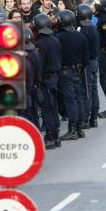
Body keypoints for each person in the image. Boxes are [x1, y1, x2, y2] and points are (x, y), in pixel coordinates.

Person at [55, 9, 88, 140]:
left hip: (65, 71)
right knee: (79, 98)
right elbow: (86, 56)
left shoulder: (59, 38)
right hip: (78, 71)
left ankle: (72, 129)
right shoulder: (80, 36)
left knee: (70, 100)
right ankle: (80, 128)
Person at [32, 13, 63, 148]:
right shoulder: (54, 39)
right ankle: (55, 134)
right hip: (55, 76)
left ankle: (51, 135)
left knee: (47, 107)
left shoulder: (40, 44)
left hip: (46, 78)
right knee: (53, 105)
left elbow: (39, 64)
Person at [77, 4, 101, 127]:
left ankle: (86, 118)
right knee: (93, 88)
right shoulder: (93, 27)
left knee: (86, 90)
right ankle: (94, 117)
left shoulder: (82, 30)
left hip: (86, 63)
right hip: (94, 61)